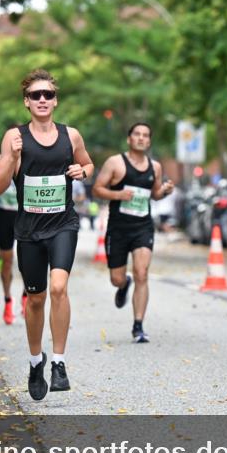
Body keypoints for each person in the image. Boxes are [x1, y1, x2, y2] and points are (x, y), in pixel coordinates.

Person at [0, 68, 94, 401]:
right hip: (29, 229)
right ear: (26, 102)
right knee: (35, 299)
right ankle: (37, 361)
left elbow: (88, 165)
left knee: (59, 287)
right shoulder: (15, 136)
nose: (42, 99)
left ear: (55, 100)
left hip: (62, 223)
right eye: (35, 95)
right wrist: (14, 156)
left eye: (47, 94)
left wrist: (83, 171)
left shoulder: (71, 136)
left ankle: (60, 363)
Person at [93, 122, 174, 344]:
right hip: (118, 228)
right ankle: (123, 285)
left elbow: (155, 194)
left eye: (145, 135)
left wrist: (165, 191)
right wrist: (118, 195)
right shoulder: (115, 163)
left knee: (142, 273)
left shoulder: (155, 167)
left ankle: (138, 326)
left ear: (149, 141)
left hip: (143, 227)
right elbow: (97, 189)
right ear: (129, 139)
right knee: (116, 278)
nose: (141, 138)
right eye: (136, 134)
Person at [0, 152, 27, 325]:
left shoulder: (28, 162)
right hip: (5, 217)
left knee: (28, 261)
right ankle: (7, 300)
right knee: (7, 261)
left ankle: (26, 297)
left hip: (25, 216)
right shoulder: (2, 165)